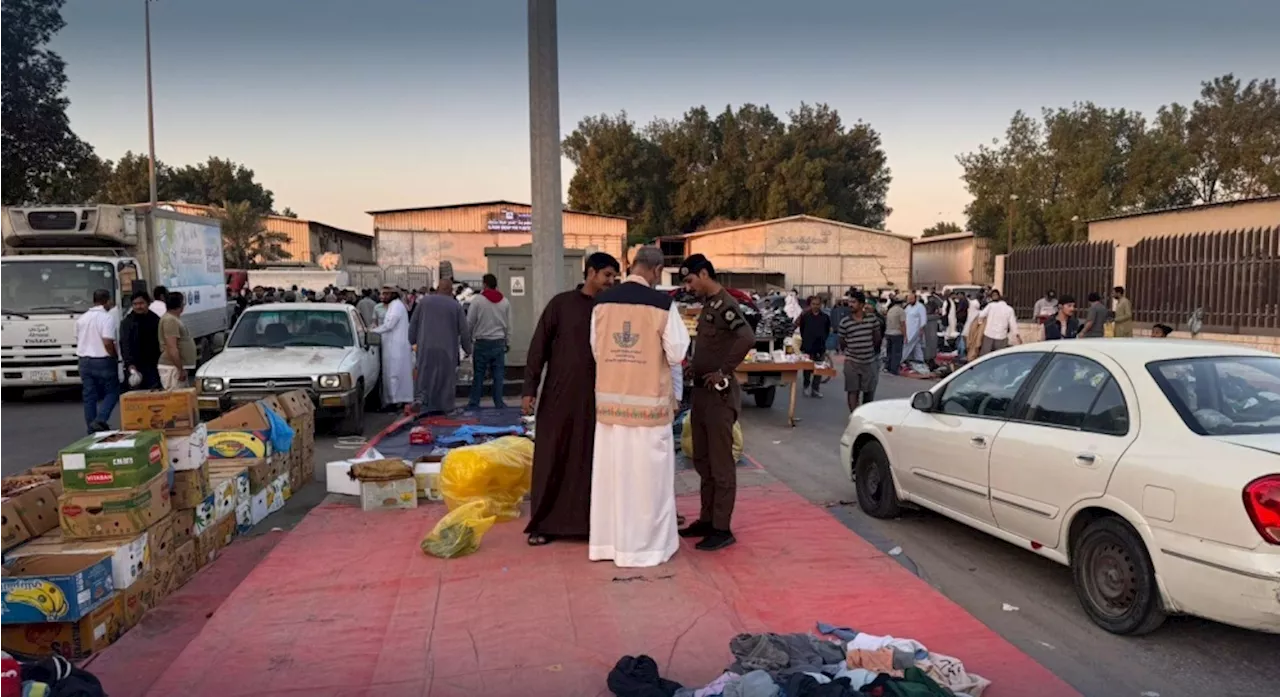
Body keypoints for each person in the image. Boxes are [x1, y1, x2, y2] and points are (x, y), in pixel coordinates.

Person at [589, 246, 690, 567]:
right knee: (648, 485)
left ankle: (609, 545)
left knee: (612, 480)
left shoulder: (602, 303)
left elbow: (596, 349)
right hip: (649, 409)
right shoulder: (662, 304)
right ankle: (647, 549)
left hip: (610, 408)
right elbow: (676, 352)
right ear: (657, 269)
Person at [523, 252, 621, 546]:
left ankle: (591, 525)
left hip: (598, 399)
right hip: (559, 396)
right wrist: (529, 389)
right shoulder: (561, 304)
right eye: (607, 275)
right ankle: (543, 523)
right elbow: (538, 347)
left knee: (591, 459)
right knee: (553, 454)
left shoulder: (611, 309)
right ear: (590, 273)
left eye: (614, 277)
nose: (611, 282)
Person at [679, 253, 755, 552]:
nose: (688, 286)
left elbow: (746, 337)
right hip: (700, 394)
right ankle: (707, 519)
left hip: (718, 396)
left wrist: (724, 370)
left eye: (689, 280)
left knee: (721, 464)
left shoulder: (726, 305)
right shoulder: (710, 306)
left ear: (704, 274)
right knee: (703, 461)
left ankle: (722, 528)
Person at [409, 275, 472, 415]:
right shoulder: (455, 306)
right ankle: (446, 408)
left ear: (437, 289)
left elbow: (413, 324)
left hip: (426, 348)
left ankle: (421, 401)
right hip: (447, 350)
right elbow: (464, 331)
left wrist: (412, 341)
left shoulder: (424, 302)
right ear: (451, 291)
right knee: (446, 379)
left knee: (424, 375)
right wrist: (468, 349)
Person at [75, 289, 119, 432]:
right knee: (112, 391)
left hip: (84, 361)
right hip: (102, 360)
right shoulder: (107, 318)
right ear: (107, 301)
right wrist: (114, 355)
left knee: (89, 396)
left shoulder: (82, 318)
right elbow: (107, 341)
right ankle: (100, 419)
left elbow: (78, 339)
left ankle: (91, 430)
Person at [467, 274, 512, 409]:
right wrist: (508, 341)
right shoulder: (505, 301)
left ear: (485, 284)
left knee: (479, 374)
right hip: (498, 342)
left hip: (481, 342)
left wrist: (468, 339)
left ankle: (474, 402)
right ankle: (498, 402)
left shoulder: (477, 301)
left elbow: (470, 322)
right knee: (498, 375)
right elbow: (509, 325)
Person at [370, 285, 413, 409]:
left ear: (393, 295)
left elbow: (389, 325)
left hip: (396, 347)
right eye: (382, 294)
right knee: (395, 374)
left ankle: (394, 402)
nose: (382, 297)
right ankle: (397, 400)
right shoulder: (394, 305)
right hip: (393, 345)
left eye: (385, 294)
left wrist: (373, 332)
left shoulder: (396, 306)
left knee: (394, 374)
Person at [838, 291, 882, 411]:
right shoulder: (845, 322)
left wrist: (869, 349)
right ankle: (854, 415)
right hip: (852, 361)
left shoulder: (872, 319)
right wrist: (852, 349)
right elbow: (842, 341)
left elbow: (877, 337)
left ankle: (865, 414)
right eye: (849, 302)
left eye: (854, 302)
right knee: (853, 391)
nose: (850, 305)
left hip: (869, 361)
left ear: (862, 304)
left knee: (868, 391)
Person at [119, 290, 161, 390]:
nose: (138, 306)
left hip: (153, 365)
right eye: (135, 304)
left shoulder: (156, 320)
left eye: (141, 303)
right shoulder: (127, 322)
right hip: (135, 366)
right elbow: (125, 344)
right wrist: (129, 364)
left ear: (148, 303)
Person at [157, 291, 197, 389]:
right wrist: (180, 369)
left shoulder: (174, 319)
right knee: (175, 399)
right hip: (172, 367)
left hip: (176, 367)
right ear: (180, 305)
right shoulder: (170, 320)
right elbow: (172, 347)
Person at [796, 296, 831, 397]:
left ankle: (815, 389)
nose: (815, 306)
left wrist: (822, 339)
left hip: (820, 346)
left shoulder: (825, 317)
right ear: (810, 305)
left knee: (819, 368)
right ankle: (806, 386)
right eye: (813, 304)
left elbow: (827, 330)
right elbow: (802, 329)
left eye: (817, 304)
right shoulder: (805, 316)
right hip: (808, 346)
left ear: (821, 305)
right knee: (807, 368)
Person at [977, 289, 1019, 355]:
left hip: (989, 334)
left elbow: (981, 315)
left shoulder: (991, 305)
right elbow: (1013, 325)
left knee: (985, 356)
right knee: (998, 356)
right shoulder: (1010, 309)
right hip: (1001, 336)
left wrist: (980, 323)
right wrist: (1017, 336)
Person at [902, 293, 927, 364]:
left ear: (915, 299)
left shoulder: (920, 307)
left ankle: (899, 361)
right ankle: (920, 361)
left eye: (911, 299)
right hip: (908, 330)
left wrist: (921, 329)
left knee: (907, 345)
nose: (910, 301)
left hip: (916, 330)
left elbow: (923, 319)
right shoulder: (908, 307)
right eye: (909, 299)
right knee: (917, 347)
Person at [883, 297, 906, 375]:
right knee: (896, 353)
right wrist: (905, 335)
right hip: (897, 334)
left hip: (888, 333)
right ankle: (894, 370)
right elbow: (902, 324)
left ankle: (887, 367)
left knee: (889, 351)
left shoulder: (890, 310)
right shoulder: (901, 311)